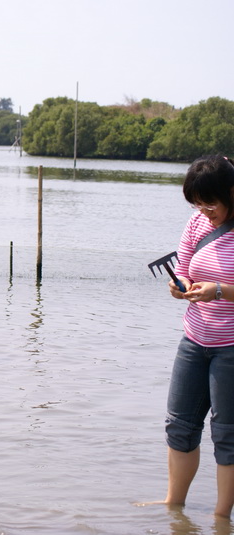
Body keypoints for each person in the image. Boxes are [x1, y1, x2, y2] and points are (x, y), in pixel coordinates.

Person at [162, 154, 234, 518]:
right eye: (197, 205)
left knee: (227, 435)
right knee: (179, 426)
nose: (205, 212)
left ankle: (221, 517)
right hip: (194, 340)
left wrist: (219, 290)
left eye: (211, 204)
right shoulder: (196, 223)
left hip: (231, 348)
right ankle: (174, 508)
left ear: (231, 192)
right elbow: (186, 270)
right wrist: (182, 287)